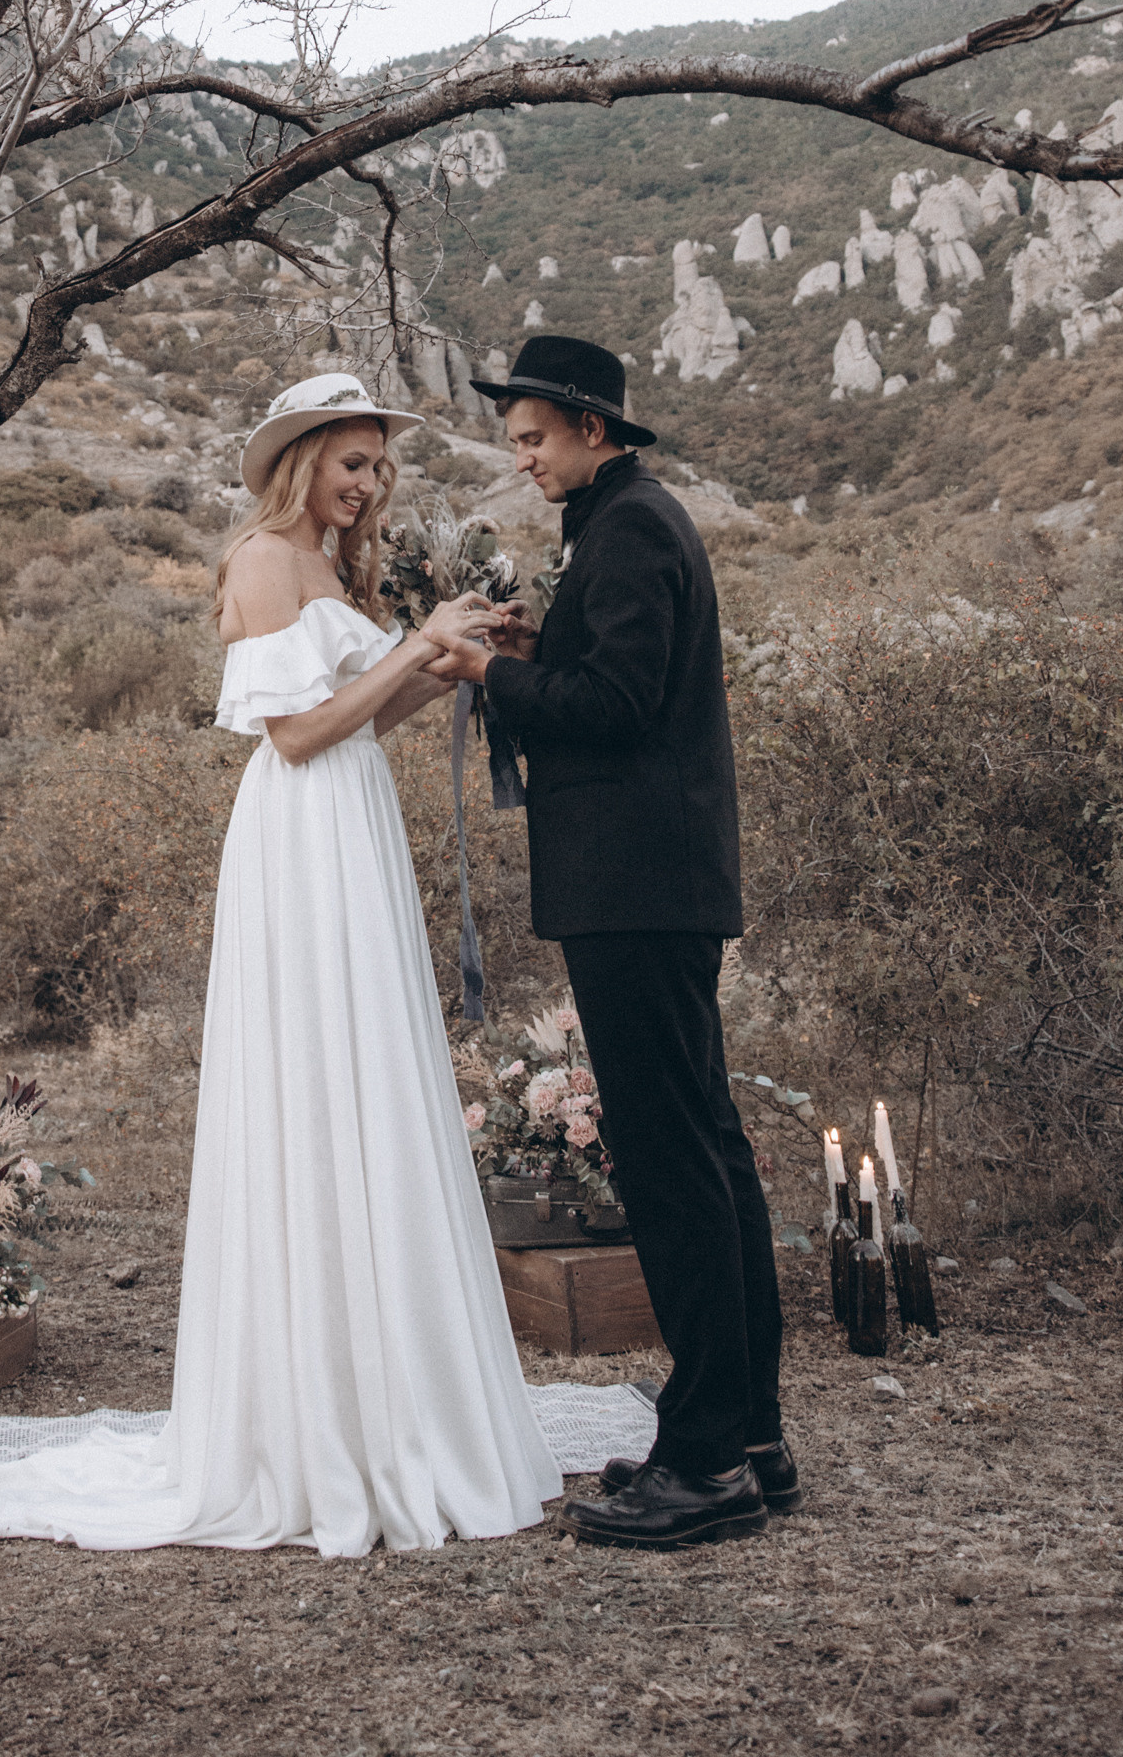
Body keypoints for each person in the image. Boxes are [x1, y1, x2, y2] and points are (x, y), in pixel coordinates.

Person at [0, 370, 563, 1555]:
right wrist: (411, 647)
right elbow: (295, 733)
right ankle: (307, 1411)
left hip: (354, 823)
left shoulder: (334, 568)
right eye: (352, 463)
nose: (370, 486)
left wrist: (449, 664)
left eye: (379, 466)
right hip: (300, 832)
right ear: (301, 462)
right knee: (311, 1077)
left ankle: (381, 1380)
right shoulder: (265, 559)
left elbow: (364, 719)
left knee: (367, 1070)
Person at [429, 334, 795, 1553]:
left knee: (673, 1161)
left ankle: (703, 1466)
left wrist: (487, 669)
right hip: (656, 882)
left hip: (635, 885)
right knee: (706, 1149)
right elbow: (612, 682)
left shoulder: (631, 526)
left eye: (531, 436)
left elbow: (619, 710)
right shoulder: (624, 522)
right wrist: (542, 656)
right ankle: (743, 1434)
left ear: (592, 426)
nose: (519, 456)